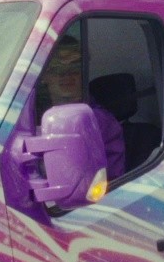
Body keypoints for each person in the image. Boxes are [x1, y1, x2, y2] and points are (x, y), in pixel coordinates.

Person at [37, 34, 126, 179]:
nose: (66, 75)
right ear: (44, 75)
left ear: (84, 72)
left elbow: (108, 184)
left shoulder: (98, 121)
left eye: (75, 67)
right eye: (57, 68)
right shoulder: (25, 118)